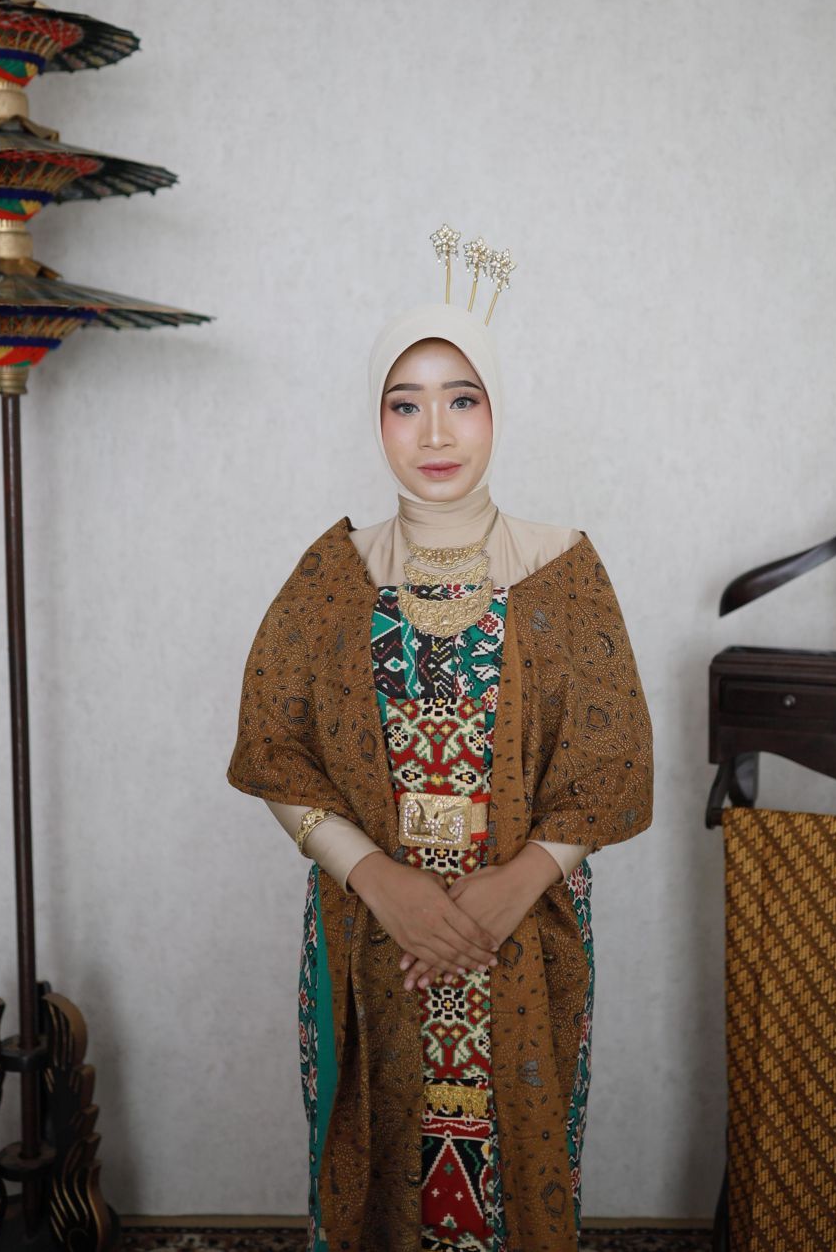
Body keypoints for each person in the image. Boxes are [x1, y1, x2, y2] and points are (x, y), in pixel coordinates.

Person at [227, 234, 653, 1252]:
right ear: (376, 419)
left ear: (497, 408)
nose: (434, 430)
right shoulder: (335, 573)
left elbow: (610, 763)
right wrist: (379, 879)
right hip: (368, 929)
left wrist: (509, 891)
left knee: (514, 1174)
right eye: (404, 402)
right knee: (377, 1172)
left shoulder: (559, 569)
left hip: (524, 933)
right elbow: (274, 748)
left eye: (462, 397)